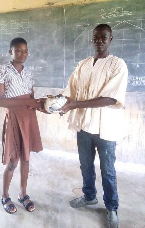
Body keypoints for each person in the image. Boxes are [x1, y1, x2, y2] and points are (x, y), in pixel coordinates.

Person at [59, 24, 128, 228]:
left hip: (106, 128)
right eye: (96, 37)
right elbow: (70, 91)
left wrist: (74, 105)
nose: (99, 40)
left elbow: (109, 98)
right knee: (86, 165)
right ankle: (89, 196)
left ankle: (112, 208)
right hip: (84, 125)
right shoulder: (84, 64)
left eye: (103, 37)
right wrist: (56, 104)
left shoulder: (118, 65)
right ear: (92, 39)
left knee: (107, 170)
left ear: (110, 39)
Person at [0, 38, 43, 214]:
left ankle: (23, 193)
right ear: (10, 52)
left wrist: (45, 105)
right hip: (14, 117)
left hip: (29, 117)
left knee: (26, 158)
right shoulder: (1, 70)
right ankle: (5, 195)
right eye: (19, 50)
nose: (23, 54)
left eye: (26, 51)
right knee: (13, 160)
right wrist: (25, 103)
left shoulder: (29, 73)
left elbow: (31, 98)